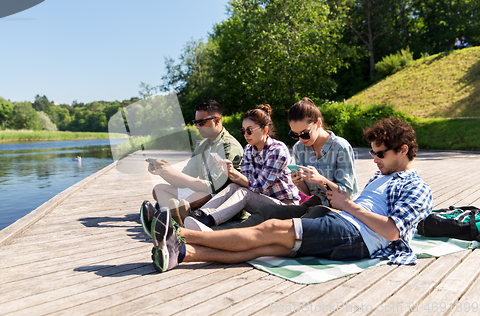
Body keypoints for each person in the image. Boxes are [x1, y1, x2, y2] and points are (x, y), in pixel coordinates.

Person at [142, 117, 433, 272]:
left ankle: (181, 233)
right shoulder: (382, 175)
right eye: (372, 152)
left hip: (356, 234)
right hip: (345, 223)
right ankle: (182, 254)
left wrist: (348, 206)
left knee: (269, 229)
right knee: (263, 248)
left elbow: (394, 232)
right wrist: (325, 193)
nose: (374, 158)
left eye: (380, 153)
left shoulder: (416, 187)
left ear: (403, 150)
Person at [169, 104, 300, 228]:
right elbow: (246, 181)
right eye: (243, 131)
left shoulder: (277, 150)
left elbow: (260, 187)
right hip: (261, 201)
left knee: (243, 193)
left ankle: (208, 220)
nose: (245, 135)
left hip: (284, 205)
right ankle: (199, 215)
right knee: (233, 186)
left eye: (249, 130)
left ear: (265, 130)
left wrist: (234, 174)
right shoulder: (249, 149)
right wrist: (230, 173)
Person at [235, 97, 358, 228]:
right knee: (268, 212)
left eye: (305, 134)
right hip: (314, 203)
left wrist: (320, 180)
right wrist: (298, 183)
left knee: (297, 225)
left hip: (339, 207)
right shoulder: (299, 147)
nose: (300, 139)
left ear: (319, 123)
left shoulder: (340, 147)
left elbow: (347, 193)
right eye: (295, 134)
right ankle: (229, 235)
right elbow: (308, 193)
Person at [147, 99, 243, 217]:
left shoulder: (229, 146)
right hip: (201, 191)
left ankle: (167, 212)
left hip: (219, 196)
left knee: (195, 198)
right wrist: (163, 171)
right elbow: (182, 181)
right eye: (195, 122)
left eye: (201, 122)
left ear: (217, 120)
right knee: (158, 189)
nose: (197, 126)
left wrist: (173, 172)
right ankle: (176, 213)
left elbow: (213, 187)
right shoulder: (203, 145)